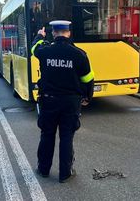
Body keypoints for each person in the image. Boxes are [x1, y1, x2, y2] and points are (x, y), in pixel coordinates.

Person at [31, 20, 94, 182]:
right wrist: (87, 96)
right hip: (70, 103)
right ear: (69, 33)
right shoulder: (79, 54)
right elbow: (88, 79)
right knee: (66, 137)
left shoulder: (44, 50)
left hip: (48, 101)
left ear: (53, 33)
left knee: (47, 135)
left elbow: (34, 47)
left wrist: (39, 35)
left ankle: (43, 169)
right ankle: (65, 174)